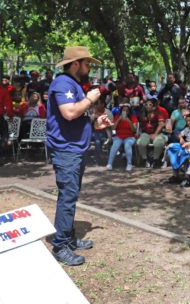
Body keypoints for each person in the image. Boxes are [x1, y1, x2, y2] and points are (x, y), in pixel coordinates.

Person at [47, 46, 105, 266]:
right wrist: (90, 99)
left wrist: (93, 122)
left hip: (74, 149)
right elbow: (69, 112)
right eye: (87, 63)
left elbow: (76, 117)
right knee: (68, 197)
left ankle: (69, 238)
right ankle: (60, 246)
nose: (89, 67)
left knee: (71, 195)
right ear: (75, 64)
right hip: (66, 150)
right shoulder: (63, 83)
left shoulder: (73, 85)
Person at [168, 114, 190, 187]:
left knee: (189, 154)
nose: (188, 122)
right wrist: (181, 138)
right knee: (172, 148)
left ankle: (187, 178)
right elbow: (180, 134)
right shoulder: (186, 129)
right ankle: (175, 175)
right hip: (184, 145)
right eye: (187, 121)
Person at [136, 98, 168, 168]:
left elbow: (161, 124)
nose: (147, 106)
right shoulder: (142, 113)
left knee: (158, 143)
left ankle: (156, 160)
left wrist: (155, 134)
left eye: (150, 104)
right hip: (145, 133)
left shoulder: (158, 113)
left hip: (158, 133)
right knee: (141, 142)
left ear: (153, 106)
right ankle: (145, 160)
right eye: (146, 104)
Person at [106, 104, 138, 171]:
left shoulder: (133, 117)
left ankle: (129, 164)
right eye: (124, 110)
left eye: (127, 110)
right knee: (115, 145)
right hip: (119, 136)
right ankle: (109, 164)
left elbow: (134, 130)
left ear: (129, 111)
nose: (125, 112)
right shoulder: (117, 117)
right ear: (121, 111)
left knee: (127, 145)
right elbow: (113, 128)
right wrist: (118, 120)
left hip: (130, 136)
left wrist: (128, 121)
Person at [89, 98, 113, 166]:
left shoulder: (107, 112)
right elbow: (88, 122)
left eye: (97, 104)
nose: (96, 105)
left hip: (103, 132)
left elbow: (110, 125)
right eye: (95, 104)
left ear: (102, 104)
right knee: (84, 140)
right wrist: (93, 116)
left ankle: (97, 161)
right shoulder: (92, 111)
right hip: (92, 132)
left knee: (98, 142)